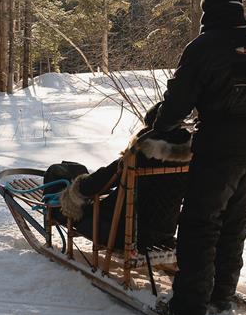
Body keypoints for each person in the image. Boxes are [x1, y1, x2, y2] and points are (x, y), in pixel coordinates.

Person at [150, 0, 246, 315]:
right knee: (234, 224)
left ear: (207, 9)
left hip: (220, 147)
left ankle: (188, 308)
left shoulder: (203, 46)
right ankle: (220, 295)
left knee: (199, 225)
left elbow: (179, 100)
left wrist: (161, 127)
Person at [55, 101, 192, 251]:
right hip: (164, 233)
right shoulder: (188, 159)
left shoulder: (138, 156)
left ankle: (53, 211)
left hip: (121, 234)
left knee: (75, 209)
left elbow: (101, 181)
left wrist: (76, 190)